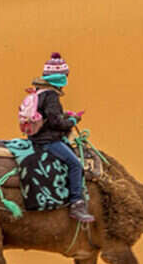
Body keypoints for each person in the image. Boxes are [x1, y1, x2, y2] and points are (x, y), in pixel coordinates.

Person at [20, 52, 93, 223]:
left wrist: (64, 115)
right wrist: (72, 121)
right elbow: (54, 122)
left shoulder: (39, 92)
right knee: (75, 165)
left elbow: (47, 116)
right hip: (48, 141)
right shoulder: (51, 95)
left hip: (36, 138)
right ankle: (76, 204)